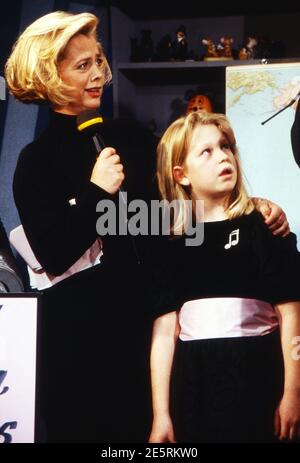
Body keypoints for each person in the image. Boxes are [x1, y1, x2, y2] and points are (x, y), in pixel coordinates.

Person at [5, 11, 155, 442]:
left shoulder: (133, 138)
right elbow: (53, 255)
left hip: (144, 333)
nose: (98, 75)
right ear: (50, 77)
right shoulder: (34, 162)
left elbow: (168, 222)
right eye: (82, 65)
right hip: (79, 351)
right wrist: (95, 193)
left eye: (99, 61)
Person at [149, 111, 300, 443]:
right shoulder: (170, 244)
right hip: (195, 389)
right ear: (181, 174)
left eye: (226, 146)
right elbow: (164, 335)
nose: (223, 156)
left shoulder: (264, 227)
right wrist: (161, 414)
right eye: (207, 151)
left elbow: (291, 314)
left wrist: (293, 393)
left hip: (260, 380)